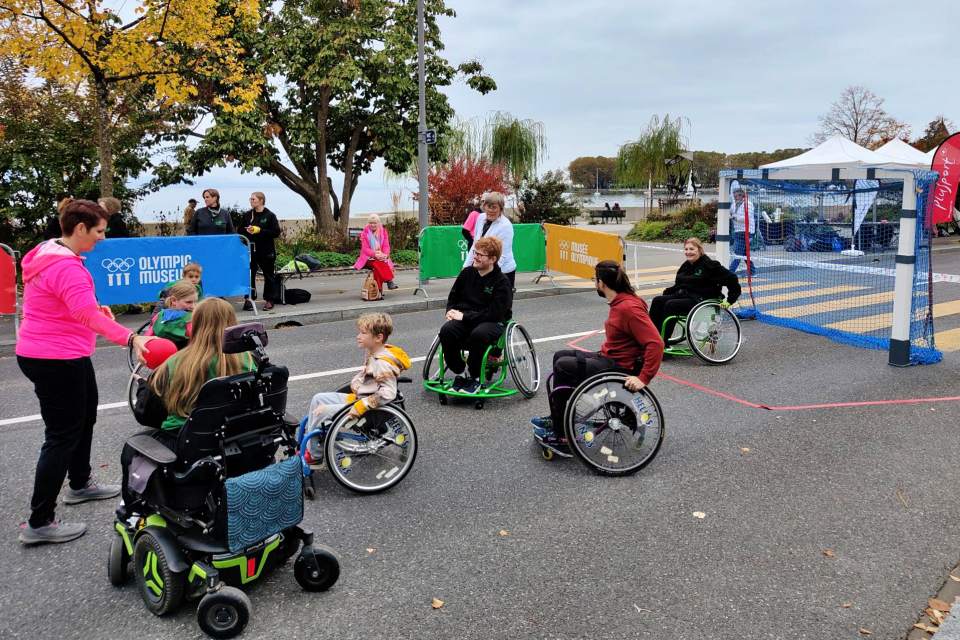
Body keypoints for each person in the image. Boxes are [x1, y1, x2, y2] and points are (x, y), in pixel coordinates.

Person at [17, 199, 152, 545]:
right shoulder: (66, 267)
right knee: (61, 435)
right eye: (99, 231)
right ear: (80, 229)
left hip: (63, 353)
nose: (102, 238)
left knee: (86, 415)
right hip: (54, 357)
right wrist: (130, 336)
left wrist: (94, 306)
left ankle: (79, 483)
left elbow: (72, 304)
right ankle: (39, 521)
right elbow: (85, 316)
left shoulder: (50, 250)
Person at [121, 298, 258, 506]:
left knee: (134, 447)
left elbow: (147, 415)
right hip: (237, 437)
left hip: (187, 443)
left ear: (195, 324)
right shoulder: (250, 360)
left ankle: (133, 508)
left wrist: (143, 388)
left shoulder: (175, 363)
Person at [531, 260, 664, 448]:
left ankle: (562, 434)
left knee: (564, 366)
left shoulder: (629, 308)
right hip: (610, 358)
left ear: (602, 282)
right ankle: (559, 418)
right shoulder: (620, 302)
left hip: (619, 366)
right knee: (559, 355)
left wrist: (643, 377)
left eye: (595, 279)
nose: (595, 283)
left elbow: (656, 343)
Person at [304, 312, 411, 458]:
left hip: (368, 410)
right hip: (358, 398)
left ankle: (315, 455)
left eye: (363, 333)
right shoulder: (374, 352)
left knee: (321, 412)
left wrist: (361, 405)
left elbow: (388, 393)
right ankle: (310, 445)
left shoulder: (382, 363)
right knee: (318, 398)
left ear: (378, 337)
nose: (358, 336)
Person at [440, 236, 512, 394]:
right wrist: (450, 312)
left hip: (491, 321)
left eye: (480, 255)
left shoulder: (501, 282)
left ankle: (475, 375)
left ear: (492, 259)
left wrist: (465, 317)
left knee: (478, 334)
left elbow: (494, 313)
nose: (475, 257)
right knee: (446, 330)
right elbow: (453, 296)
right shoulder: (467, 273)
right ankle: (459, 369)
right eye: (475, 252)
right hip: (465, 318)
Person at [649, 237, 741, 343]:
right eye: (686, 249)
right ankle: (651, 338)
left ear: (699, 250)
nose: (688, 252)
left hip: (702, 300)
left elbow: (732, 279)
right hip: (687, 296)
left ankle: (661, 343)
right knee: (657, 300)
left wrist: (729, 301)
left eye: (691, 249)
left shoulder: (709, 265)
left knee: (671, 304)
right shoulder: (686, 265)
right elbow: (679, 284)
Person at [462, 191, 517, 290]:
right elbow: (476, 245)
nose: (491, 210)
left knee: (500, 304)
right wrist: (465, 267)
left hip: (503, 272)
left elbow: (502, 256)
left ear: (501, 209)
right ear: (484, 206)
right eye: (488, 206)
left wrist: (487, 275)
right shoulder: (480, 218)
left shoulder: (506, 226)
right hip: (484, 268)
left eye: (494, 207)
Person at [240, 192, 281, 310]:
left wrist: (260, 230)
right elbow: (240, 231)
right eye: (250, 199)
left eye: (253, 199)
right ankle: (249, 299)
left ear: (261, 200)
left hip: (266, 250)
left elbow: (275, 232)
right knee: (249, 275)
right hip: (250, 250)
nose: (251, 201)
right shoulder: (247, 215)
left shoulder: (269, 215)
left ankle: (269, 299)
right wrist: (246, 232)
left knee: (269, 275)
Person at [353, 213, 398, 294]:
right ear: (368, 223)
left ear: (378, 223)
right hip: (368, 258)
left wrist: (384, 255)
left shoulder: (383, 232)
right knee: (378, 263)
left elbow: (386, 246)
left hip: (380, 256)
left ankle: (378, 292)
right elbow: (365, 249)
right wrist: (375, 254)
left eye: (374, 223)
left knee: (378, 266)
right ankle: (389, 281)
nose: (372, 225)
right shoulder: (365, 233)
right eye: (371, 223)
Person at [150, 280, 197, 349]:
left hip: (162, 355)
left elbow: (148, 336)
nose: (193, 306)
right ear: (174, 301)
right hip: (185, 356)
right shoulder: (190, 319)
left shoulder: (159, 315)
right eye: (188, 302)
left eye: (195, 302)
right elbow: (197, 340)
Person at [728, 184, 758, 275]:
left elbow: (746, 218)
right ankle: (753, 272)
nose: (736, 197)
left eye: (738, 195)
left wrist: (733, 217)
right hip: (737, 231)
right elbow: (730, 213)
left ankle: (730, 273)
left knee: (737, 253)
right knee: (744, 253)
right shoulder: (734, 204)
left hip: (747, 231)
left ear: (743, 195)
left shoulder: (748, 204)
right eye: (735, 195)